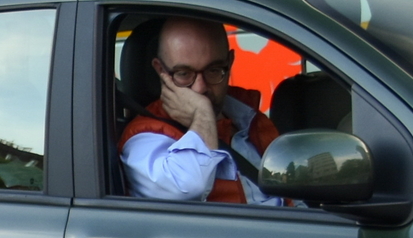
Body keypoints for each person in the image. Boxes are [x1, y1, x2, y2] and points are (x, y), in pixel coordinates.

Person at [118, 15, 287, 205]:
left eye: (213, 70)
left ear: (230, 63)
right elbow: (187, 188)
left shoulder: (248, 117)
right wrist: (202, 115)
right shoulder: (144, 138)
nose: (200, 88)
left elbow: (291, 197)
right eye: (183, 74)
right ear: (160, 70)